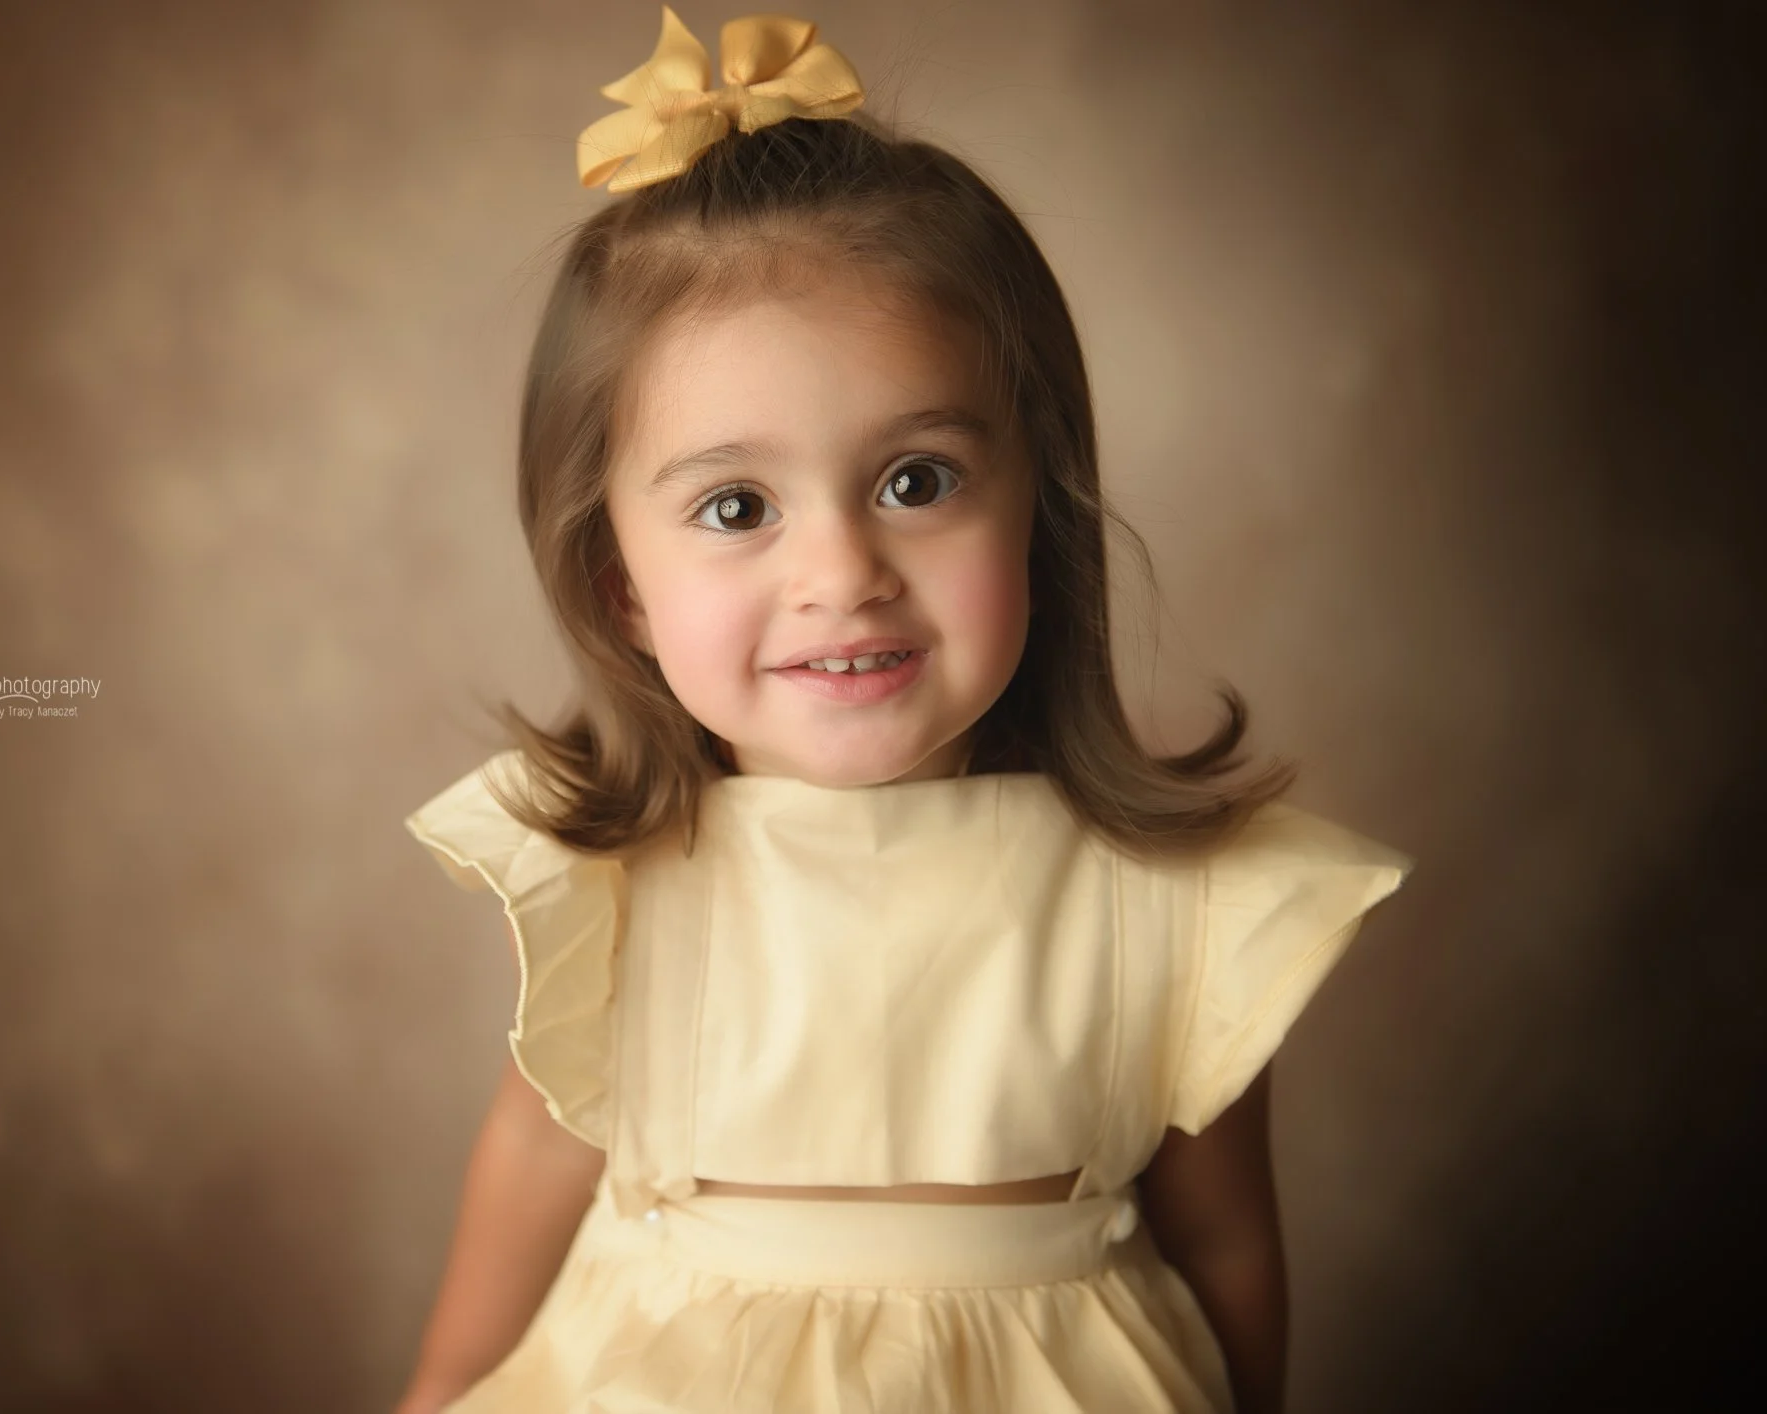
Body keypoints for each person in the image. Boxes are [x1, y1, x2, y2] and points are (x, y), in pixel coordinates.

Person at [394, 8, 1415, 1412]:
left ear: (1038, 512)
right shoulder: (610, 885)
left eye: (916, 481)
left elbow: (1228, 1239)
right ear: (619, 585)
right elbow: (527, 1171)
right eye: (737, 507)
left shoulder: (1170, 900)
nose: (843, 575)